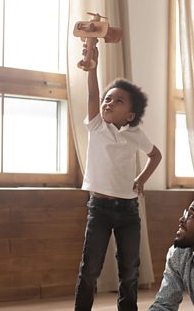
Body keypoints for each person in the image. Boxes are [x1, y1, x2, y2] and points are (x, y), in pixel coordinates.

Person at [74, 42, 162, 311]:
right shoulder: (97, 126)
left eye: (118, 100)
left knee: (130, 270)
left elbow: (155, 155)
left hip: (128, 210)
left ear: (130, 115)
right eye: (107, 99)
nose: (108, 102)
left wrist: (141, 179)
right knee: (90, 269)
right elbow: (92, 95)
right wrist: (93, 68)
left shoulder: (135, 135)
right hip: (98, 209)